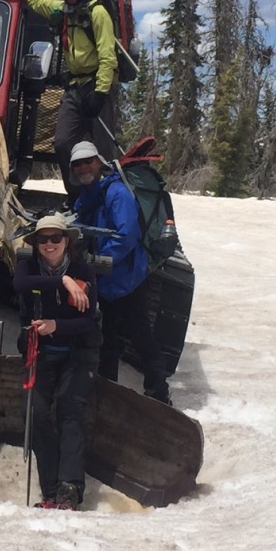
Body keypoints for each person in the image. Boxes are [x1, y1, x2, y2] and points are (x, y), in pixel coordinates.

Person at [70, 140, 171, 404]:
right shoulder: (89, 195)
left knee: (141, 338)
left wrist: (97, 261)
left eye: (87, 161)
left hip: (127, 280)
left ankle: (159, 395)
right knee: (107, 340)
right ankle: (106, 394)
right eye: (77, 164)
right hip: (106, 282)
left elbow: (127, 236)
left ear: (99, 162)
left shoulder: (117, 193)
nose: (83, 168)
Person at [13, 213, 101, 510]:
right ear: (36, 244)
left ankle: (69, 489)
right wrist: (62, 281)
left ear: (67, 242)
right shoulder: (27, 267)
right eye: (43, 239)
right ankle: (50, 487)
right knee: (34, 412)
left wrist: (56, 326)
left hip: (77, 353)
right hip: (42, 352)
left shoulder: (84, 270)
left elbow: (88, 321)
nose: (49, 244)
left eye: (56, 238)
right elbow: (21, 284)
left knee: (70, 411)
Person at [17, 0, 118, 197]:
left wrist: (101, 93)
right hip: (74, 87)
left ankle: (108, 198)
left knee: (103, 149)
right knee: (62, 143)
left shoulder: (97, 12)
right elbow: (38, 1)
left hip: (96, 86)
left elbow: (107, 55)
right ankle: (76, 197)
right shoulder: (62, 10)